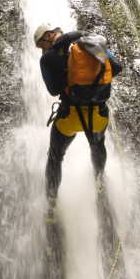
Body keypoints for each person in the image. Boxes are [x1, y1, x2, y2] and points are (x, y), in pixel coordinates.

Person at [34, 24, 122, 211]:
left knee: (55, 156)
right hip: (98, 115)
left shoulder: (48, 58)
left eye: (41, 45)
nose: (42, 50)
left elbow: (53, 90)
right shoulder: (91, 44)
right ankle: (99, 179)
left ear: (48, 37)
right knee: (97, 144)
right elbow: (116, 68)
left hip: (70, 117)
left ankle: (51, 199)